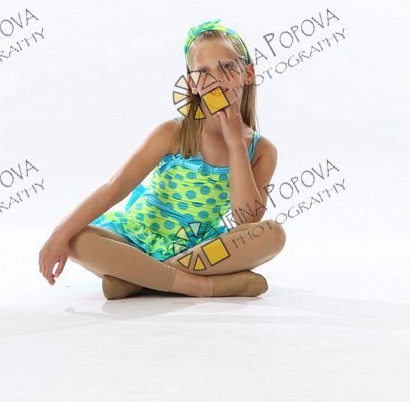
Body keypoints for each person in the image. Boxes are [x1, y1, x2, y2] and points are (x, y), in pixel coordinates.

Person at [38, 18, 286, 299]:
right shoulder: (173, 133)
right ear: (192, 84)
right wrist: (59, 234)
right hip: (137, 240)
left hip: (199, 250)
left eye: (227, 67)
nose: (216, 79)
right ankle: (200, 285)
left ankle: (138, 279)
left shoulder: (262, 150)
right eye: (203, 71)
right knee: (76, 239)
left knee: (272, 235)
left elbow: (247, 219)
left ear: (248, 74)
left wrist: (236, 145)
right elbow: (115, 187)